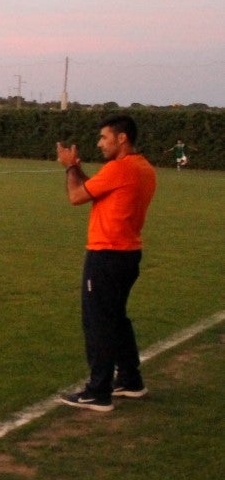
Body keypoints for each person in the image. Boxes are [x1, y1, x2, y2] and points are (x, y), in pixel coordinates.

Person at [56, 114, 157, 412]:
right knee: (116, 318)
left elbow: (76, 196)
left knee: (98, 321)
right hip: (128, 254)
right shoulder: (143, 167)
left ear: (121, 138)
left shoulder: (120, 168)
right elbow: (95, 189)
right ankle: (130, 380)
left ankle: (98, 391)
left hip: (107, 254)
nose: (99, 143)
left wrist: (71, 166)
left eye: (104, 137)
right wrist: (78, 168)